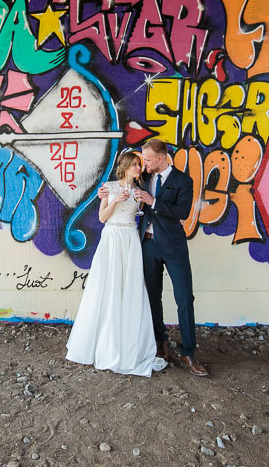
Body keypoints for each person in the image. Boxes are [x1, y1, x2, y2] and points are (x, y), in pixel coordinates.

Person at [65, 151, 168, 377]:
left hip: (130, 238)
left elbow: (143, 213)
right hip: (112, 238)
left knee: (129, 287)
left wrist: (140, 204)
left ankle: (130, 341)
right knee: (107, 286)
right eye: (134, 165)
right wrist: (115, 201)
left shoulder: (140, 190)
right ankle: (102, 342)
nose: (138, 168)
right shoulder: (110, 187)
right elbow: (102, 217)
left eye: (139, 165)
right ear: (124, 167)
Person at [132, 138, 209, 377]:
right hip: (148, 245)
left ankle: (188, 352)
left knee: (185, 297)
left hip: (174, 246)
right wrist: (108, 191)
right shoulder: (143, 178)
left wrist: (153, 201)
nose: (144, 163)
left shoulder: (183, 180)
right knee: (153, 296)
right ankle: (160, 343)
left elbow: (182, 212)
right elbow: (123, 182)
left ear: (161, 158)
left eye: (147, 160)